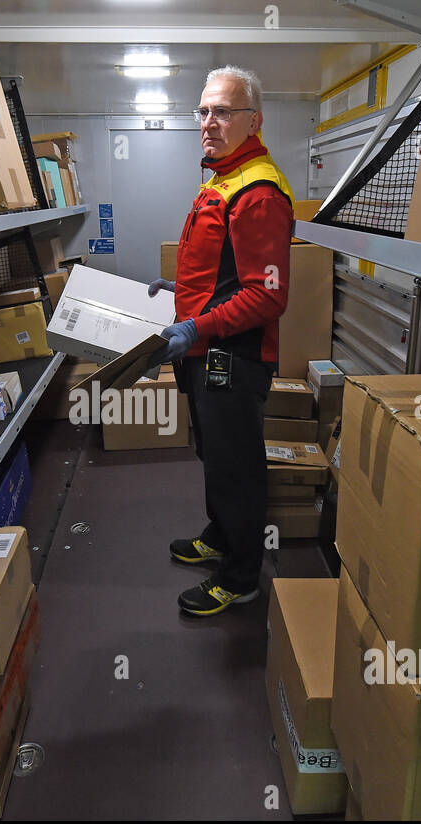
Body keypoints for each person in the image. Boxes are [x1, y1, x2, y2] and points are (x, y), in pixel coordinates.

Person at [147, 65, 295, 617]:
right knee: (213, 453)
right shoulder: (221, 176)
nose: (209, 122)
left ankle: (239, 577)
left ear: (253, 119)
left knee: (237, 466)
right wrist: (180, 292)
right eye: (204, 111)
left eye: (223, 112)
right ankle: (220, 534)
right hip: (204, 353)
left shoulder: (258, 191)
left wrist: (195, 326)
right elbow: (220, 266)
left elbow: (266, 296)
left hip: (233, 358)